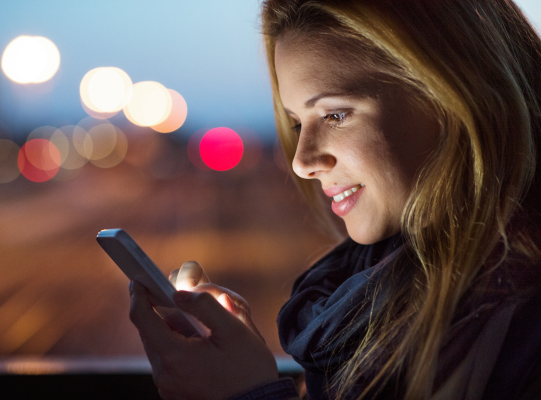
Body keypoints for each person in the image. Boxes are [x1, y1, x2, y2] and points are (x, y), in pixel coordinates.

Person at [128, 0, 541, 398]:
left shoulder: (521, 325)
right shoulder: (366, 299)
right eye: (295, 122)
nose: (302, 162)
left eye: (335, 115)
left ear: (453, 94)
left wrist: (248, 395)